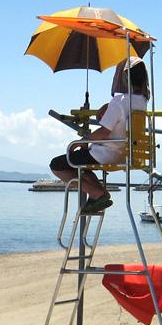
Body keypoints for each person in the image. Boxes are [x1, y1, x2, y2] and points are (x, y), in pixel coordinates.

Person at [49, 57, 150, 214]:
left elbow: (104, 131)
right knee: (79, 164)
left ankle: (97, 193)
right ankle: (98, 194)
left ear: (123, 77)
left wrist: (80, 141)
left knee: (57, 164)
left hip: (106, 153)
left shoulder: (120, 101)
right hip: (125, 153)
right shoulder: (142, 101)